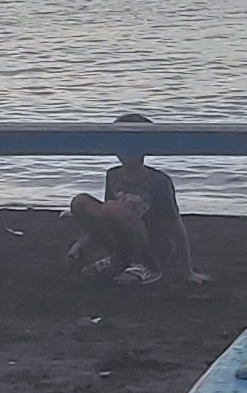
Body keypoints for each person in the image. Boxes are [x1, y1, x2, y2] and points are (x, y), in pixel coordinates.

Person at [65, 111, 197, 283]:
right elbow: (107, 220)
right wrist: (81, 244)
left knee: (111, 208)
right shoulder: (113, 175)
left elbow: (174, 225)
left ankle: (146, 266)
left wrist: (188, 272)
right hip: (123, 240)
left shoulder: (159, 181)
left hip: (153, 245)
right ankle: (118, 259)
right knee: (81, 202)